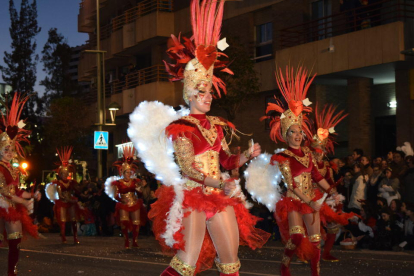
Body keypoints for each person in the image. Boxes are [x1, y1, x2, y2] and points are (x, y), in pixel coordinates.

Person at [128, 1, 270, 275]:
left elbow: (226, 160)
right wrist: (220, 182)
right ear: (190, 95)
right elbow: (188, 169)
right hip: (193, 197)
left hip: (219, 195)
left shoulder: (217, 125)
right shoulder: (182, 127)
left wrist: (245, 156)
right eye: (202, 92)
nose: (208, 97)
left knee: (231, 260)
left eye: (209, 92)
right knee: (186, 262)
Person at [262, 66, 341, 276]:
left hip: (311, 199)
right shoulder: (284, 157)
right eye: (293, 132)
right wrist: (311, 201)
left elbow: (316, 176)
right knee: (296, 236)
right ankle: (285, 265)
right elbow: (292, 185)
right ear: (286, 136)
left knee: (316, 241)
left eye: (299, 132)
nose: (298, 135)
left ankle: (316, 273)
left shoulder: (307, 153)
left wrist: (331, 190)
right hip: (295, 200)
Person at [0, 94, 40, 276]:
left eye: (11, 149)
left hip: (9, 207)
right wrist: (23, 202)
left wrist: (31, 196)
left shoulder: (13, 169)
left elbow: (15, 191)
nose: (9, 152)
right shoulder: (0, 168)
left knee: (15, 241)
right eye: (5, 149)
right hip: (3, 206)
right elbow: (6, 193)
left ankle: (11, 272)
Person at [308, 103, 353, 263]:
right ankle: (308, 253)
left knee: (334, 225)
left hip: (325, 198)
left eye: (321, 153)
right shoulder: (306, 166)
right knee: (310, 228)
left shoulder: (328, 167)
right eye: (316, 153)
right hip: (310, 199)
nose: (319, 156)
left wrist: (334, 197)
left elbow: (331, 184)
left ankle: (326, 252)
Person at [105, 146, 146, 248]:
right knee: (124, 222)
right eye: (127, 172)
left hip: (134, 202)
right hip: (123, 204)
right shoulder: (118, 183)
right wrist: (121, 199)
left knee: (136, 223)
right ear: (122, 172)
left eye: (130, 172)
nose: (129, 174)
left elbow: (140, 194)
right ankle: (126, 240)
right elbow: (115, 195)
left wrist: (139, 190)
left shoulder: (135, 181)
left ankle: (135, 241)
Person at [48, 147, 83, 244]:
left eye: (66, 173)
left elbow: (77, 191)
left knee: (73, 220)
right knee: (62, 221)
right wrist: (69, 200)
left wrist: (81, 190)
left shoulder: (71, 182)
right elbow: (60, 195)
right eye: (63, 173)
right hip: (63, 202)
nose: (64, 174)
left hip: (70, 201)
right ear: (60, 174)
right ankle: (63, 237)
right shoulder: (58, 183)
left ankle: (75, 237)